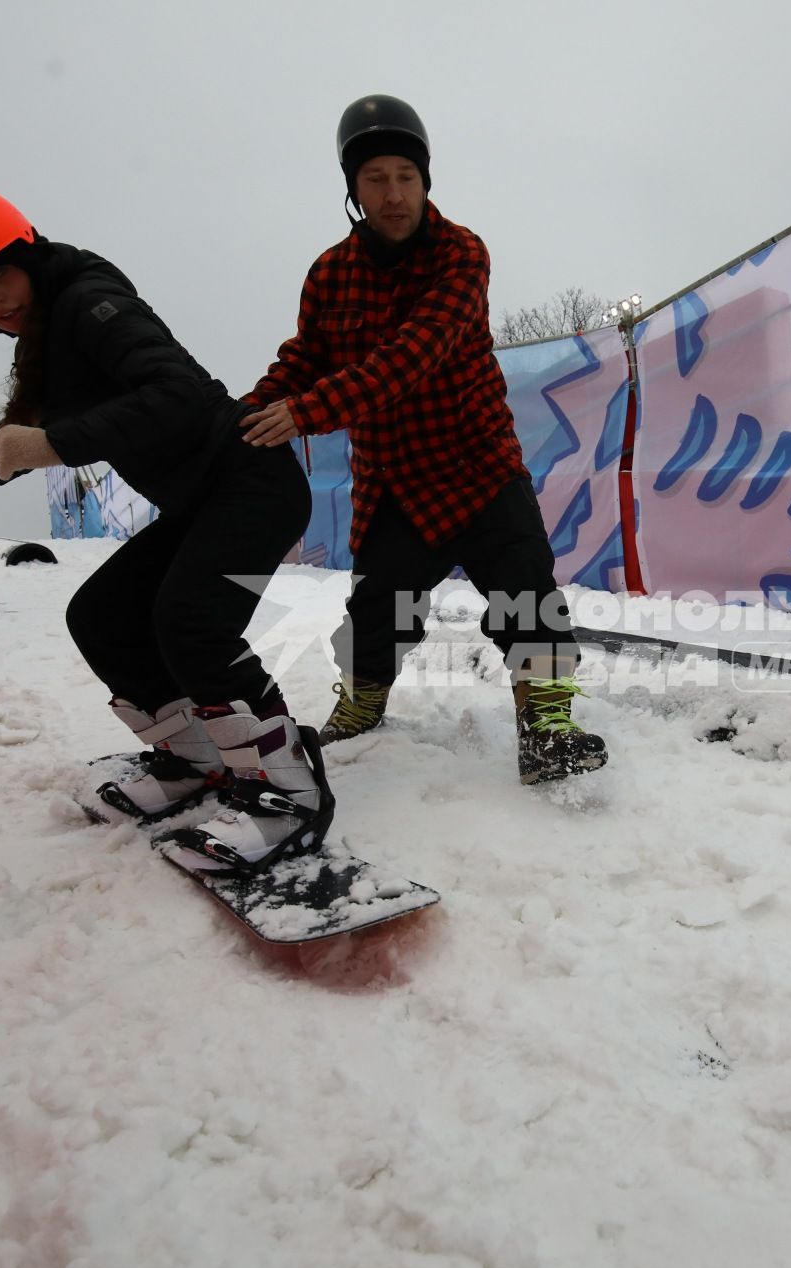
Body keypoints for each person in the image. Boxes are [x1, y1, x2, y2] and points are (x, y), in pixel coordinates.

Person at [0, 183, 332, 870]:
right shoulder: (45, 342)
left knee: (191, 620)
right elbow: (11, 446)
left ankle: (289, 793)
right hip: (205, 500)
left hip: (252, 482)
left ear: (29, 254)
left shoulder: (89, 302)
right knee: (102, 615)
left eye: (1, 274)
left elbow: (178, 397)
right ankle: (193, 758)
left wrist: (54, 443)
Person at [239, 95, 607, 785]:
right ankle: (362, 705)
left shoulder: (461, 254)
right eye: (375, 178)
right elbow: (304, 359)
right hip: (394, 479)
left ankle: (549, 726)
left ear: (425, 181)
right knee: (376, 608)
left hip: (478, 465)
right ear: (353, 189)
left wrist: (307, 412)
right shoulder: (328, 273)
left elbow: (416, 354)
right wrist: (249, 414)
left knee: (527, 589)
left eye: (405, 175)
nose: (393, 193)